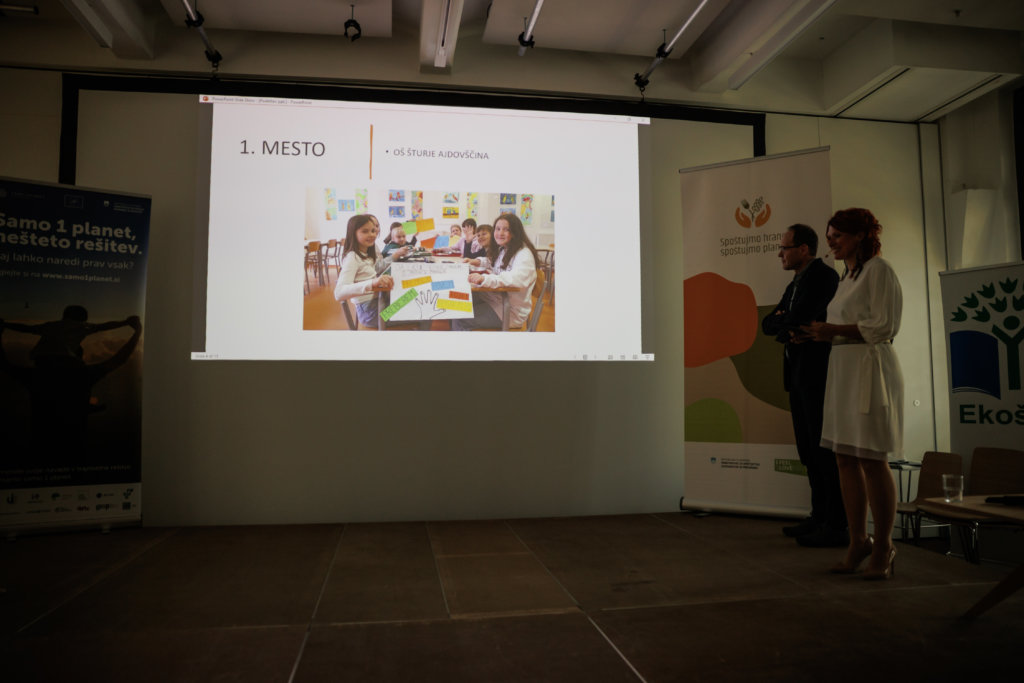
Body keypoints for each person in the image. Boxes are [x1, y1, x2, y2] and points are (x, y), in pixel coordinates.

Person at [803, 208, 904, 580]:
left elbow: (884, 325)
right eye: (829, 237)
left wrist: (833, 330)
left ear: (860, 235)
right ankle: (858, 540)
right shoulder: (848, 276)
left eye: (838, 236)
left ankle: (884, 545)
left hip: (869, 368)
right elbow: (845, 323)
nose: (831, 243)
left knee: (872, 458)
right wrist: (820, 333)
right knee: (845, 458)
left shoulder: (879, 270)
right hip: (843, 366)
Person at [761, 224, 846, 547]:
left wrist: (789, 322)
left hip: (818, 375)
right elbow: (769, 323)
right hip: (797, 376)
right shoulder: (795, 282)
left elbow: (800, 316)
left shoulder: (824, 277)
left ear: (803, 249)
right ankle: (818, 515)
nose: (780, 254)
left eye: (784, 248)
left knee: (823, 451)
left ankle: (835, 523)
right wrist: (789, 324)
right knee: (808, 450)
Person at [453, 214, 538, 331]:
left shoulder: (524, 254)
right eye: (497, 229)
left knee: (460, 317)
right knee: (455, 303)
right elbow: (492, 262)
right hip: (495, 299)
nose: (500, 233)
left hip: (508, 311)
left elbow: (516, 279)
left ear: (515, 231)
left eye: (506, 229)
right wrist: (476, 261)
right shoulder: (505, 248)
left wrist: (484, 278)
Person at [3, 306, 133, 368]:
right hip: (63, 361)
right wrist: (125, 322)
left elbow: (26, 329)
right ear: (82, 318)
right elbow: (104, 326)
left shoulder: (50, 325)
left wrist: (5, 324)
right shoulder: (82, 326)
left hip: (41, 360)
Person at [334, 214, 394, 328]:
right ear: (353, 233)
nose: (372, 235)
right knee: (420, 311)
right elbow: (339, 293)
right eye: (365, 231)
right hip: (371, 313)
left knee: (414, 298)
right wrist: (372, 283)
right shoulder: (352, 257)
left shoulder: (367, 254)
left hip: (379, 303)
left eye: (373, 231)